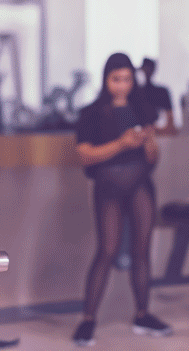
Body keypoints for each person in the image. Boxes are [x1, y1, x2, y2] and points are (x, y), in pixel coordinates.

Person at [71, 53, 172, 346]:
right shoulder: (91, 113)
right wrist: (122, 144)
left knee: (142, 251)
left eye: (127, 79)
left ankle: (143, 314)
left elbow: (152, 157)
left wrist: (149, 141)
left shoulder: (142, 110)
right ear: (106, 80)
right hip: (109, 188)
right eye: (116, 79)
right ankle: (88, 320)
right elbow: (85, 154)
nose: (122, 85)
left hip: (140, 184)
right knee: (107, 250)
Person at [137, 58, 177, 136]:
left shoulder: (162, 92)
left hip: (159, 136)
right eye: (145, 69)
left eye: (149, 69)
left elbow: (170, 124)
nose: (147, 72)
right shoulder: (136, 93)